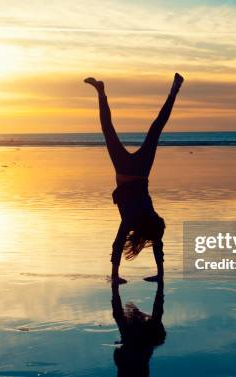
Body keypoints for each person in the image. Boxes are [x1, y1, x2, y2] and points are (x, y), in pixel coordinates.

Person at [84, 73, 184, 284]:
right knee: (109, 131)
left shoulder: (149, 213)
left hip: (140, 172)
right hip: (125, 171)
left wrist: (160, 272)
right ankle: (101, 92)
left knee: (155, 129)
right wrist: (114, 274)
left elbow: (155, 241)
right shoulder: (133, 220)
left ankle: (173, 91)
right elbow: (119, 243)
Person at [111, 280, 165, 377]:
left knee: (120, 317)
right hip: (139, 343)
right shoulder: (133, 330)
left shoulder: (131, 330)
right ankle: (115, 277)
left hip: (138, 344)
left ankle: (115, 276)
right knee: (119, 317)